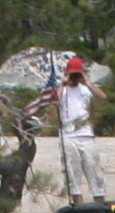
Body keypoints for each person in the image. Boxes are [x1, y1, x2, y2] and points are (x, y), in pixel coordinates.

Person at [39, 54, 106, 203]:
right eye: (73, 74)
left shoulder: (85, 88)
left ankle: (99, 204)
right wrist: (63, 84)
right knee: (72, 174)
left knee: (94, 171)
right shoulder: (62, 91)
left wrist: (86, 81)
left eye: (77, 74)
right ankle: (78, 206)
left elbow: (102, 97)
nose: (75, 77)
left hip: (85, 133)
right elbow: (51, 105)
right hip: (68, 134)